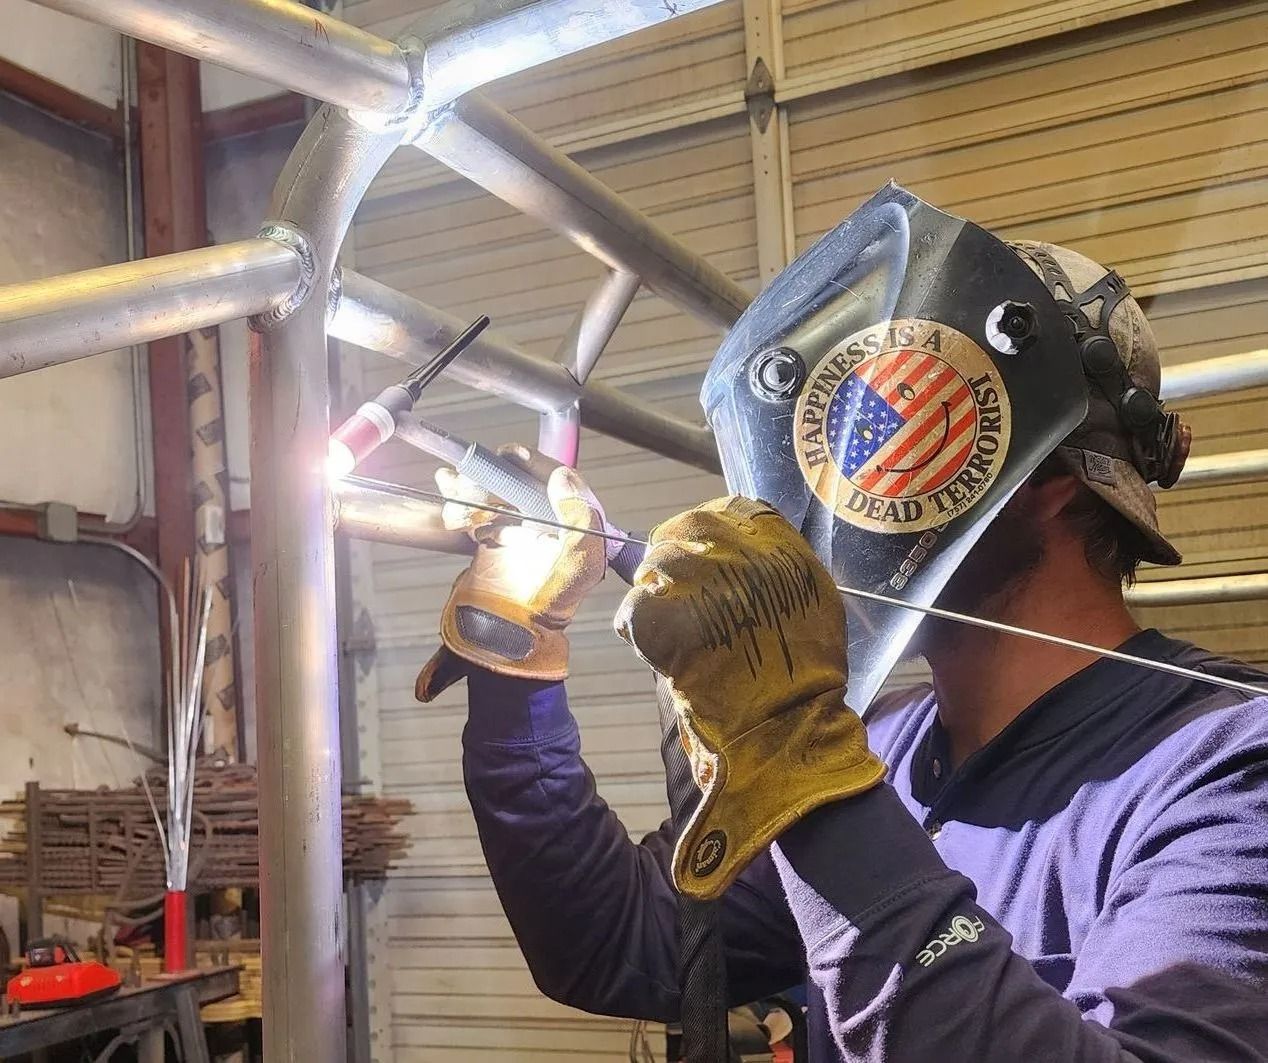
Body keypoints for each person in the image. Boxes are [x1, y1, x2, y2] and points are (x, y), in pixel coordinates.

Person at [415, 189, 1268, 1061]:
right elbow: (615, 940)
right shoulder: (881, 746)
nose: (845, 489)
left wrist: (795, 756)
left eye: (901, 431)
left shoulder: (1230, 774)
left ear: (1056, 479)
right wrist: (516, 650)